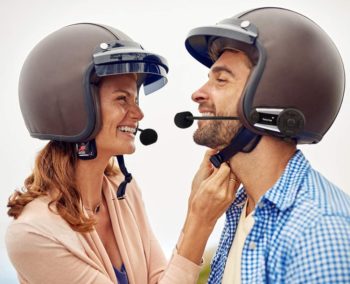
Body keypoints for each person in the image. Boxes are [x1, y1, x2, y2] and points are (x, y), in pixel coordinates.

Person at [6, 23, 238, 284]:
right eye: (122, 99)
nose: (138, 114)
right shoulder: (34, 233)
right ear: (76, 107)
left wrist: (195, 205)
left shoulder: (122, 191)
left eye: (136, 100)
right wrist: (200, 220)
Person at [183, 7, 350, 283]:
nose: (198, 93)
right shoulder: (242, 210)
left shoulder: (321, 232)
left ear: (271, 99)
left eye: (221, 80)